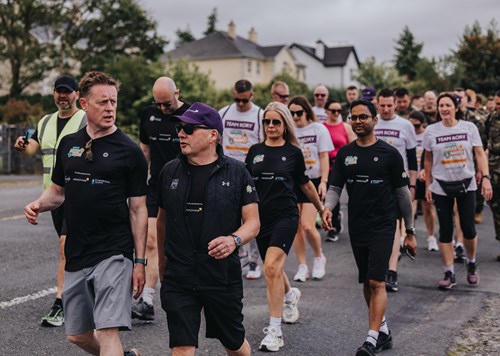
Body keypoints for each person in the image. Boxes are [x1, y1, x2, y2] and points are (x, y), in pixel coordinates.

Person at [23, 71, 147, 356]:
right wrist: (38, 204)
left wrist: (139, 262)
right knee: (78, 336)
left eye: (113, 102)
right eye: (103, 102)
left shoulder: (129, 151)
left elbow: (139, 209)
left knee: (106, 332)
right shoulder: (69, 145)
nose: (110, 108)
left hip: (114, 252)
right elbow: (57, 192)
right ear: (83, 103)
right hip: (78, 252)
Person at [157, 102, 260, 356]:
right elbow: (162, 221)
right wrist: (161, 265)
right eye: (180, 128)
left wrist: (233, 240)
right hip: (179, 275)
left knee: (234, 344)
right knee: (181, 346)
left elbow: (253, 222)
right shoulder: (169, 171)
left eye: (189, 129)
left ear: (213, 134)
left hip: (220, 276)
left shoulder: (238, 172)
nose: (181, 134)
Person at [322, 99, 416, 356]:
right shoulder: (345, 154)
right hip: (357, 224)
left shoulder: (390, 154)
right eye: (354, 117)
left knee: (377, 280)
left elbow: (403, 196)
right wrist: (328, 208)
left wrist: (409, 231)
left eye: (364, 117)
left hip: (385, 224)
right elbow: (334, 188)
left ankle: (371, 340)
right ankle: (382, 330)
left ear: (375, 120)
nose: (358, 121)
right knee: (367, 281)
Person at [245, 102, 324, 352]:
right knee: (273, 269)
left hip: (286, 217)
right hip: (260, 219)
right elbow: (245, 187)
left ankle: (275, 331)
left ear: (285, 124)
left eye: (276, 122)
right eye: (267, 122)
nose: (270, 126)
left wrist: (322, 210)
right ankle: (290, 296)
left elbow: (305, 184)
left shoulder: (293, 153)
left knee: (270, 267)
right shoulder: (254, 151)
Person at [14, 75, 87, 327]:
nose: (62, 96)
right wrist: (23, 146)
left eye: (67, 92)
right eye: (59, 91)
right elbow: (33, 147)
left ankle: (61, 303)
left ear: (77, 94)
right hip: (53, 197)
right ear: (53, 94)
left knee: (66, 247)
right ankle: (89, 292)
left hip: (79, 195)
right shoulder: (45, 122)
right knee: (75, 248)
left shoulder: (85, 119)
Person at [423, 92, 492, 289]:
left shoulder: (469, 128)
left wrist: (485, 178)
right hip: (441, 185)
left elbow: (479, 153)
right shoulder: (431, 131)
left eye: (448, 105)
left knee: (469, 229)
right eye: (441, 105)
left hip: (466, 183)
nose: (444, 109)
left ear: (456, 107)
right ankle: (449, 272)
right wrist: (428, 183)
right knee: (445, 230)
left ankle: (471, 263)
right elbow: (427, 158)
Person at [134, 77, 190, 321]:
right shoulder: (148, 115)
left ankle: (182, 290)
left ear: (177, 92)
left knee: (179, 243)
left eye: (167, 103)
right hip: (157, 186)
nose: (164, 109)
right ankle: (147, 299)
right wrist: (135, 183)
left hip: (185, 186)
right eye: (159, 104)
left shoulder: (192, 115)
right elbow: (144, 150)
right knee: (152, 240)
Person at [220, 79, 264, 280]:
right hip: (227, 172)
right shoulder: (224, 113)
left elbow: (264, 145)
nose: (240, 104)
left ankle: (254, 260)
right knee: (229, 217)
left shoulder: (259, 115)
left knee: (251, 218)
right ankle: (240, 256)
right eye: (236, 99)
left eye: (244, 101)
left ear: (252, 96)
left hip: (250, 173)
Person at [375, 88, 418, 293]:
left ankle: (391, 271)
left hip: (396, 184)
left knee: (393, 227)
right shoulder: (371, 122)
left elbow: (411, 159)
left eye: (389, 106)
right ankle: (376, 267)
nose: (385, 109)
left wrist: (412, 185)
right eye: (382, 105)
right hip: (372, 184)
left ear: (395, 105)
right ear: (377, 104)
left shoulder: (405, 125)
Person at [288, 96, 332, 281]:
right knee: (296, 227)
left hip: (312, 181)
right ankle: (302, 265)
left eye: (299, 112)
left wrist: (324, 180)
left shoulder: (318, 129)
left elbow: (323, 156)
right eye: (291, 113)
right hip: (293, 182)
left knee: (307, 224)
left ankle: (318, 256)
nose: (295, 116)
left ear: (306, 111)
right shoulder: (288, 131)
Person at [323, 99, 356, 242]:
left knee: (354, 196)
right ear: (326, 111)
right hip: (329, 166)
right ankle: (333, 227)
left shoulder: (346, 127)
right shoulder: (322, 127)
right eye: (333, 111)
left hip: (345, 165)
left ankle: (356, 225)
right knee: (332, 198)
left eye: (339, 111)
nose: (336, 113)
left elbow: (354, 147)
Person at [409, 111, 438, 251]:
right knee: (410, 205)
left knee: (428, 207)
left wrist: (428, 172)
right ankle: (407, 235)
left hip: (425, 174)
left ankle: (431, 236)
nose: (414, 127)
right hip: (410, 173)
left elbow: (433, 155)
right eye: (411, 123)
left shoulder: (428, 134)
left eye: (417, 124)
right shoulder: (408, 134)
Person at [484, 90, 500, 260]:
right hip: (494, 167)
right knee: (496, 208)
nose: (497, 107)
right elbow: (482, 144)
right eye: (497, 103)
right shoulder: (490, 119)